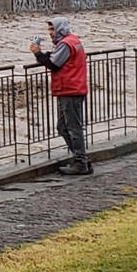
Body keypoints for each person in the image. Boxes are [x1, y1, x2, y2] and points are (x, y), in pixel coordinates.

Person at [30, 17, 92, 175]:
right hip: (70, 89)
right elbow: (60, 60)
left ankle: (81, 162)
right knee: (63, 127)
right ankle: (81, 158)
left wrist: (38, 53)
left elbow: (53, 64)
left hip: (70, 90)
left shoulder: (65, 44)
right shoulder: (72, 40)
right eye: (49, 30)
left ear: (60, 29)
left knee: (72, 128)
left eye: (53, 30)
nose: (50, 33)